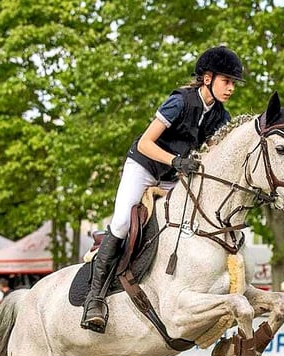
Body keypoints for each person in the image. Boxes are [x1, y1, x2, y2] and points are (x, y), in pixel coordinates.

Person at [82, 46, 244, 332]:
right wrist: (176, 160)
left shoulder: (221, 116)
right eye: (226, 81)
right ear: (207, 78)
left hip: (173, 176)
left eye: (233, 83)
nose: (230, 88)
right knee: (121, 223)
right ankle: (95, 299)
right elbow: (146, 143)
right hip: (144, 168)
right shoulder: (179, 101)